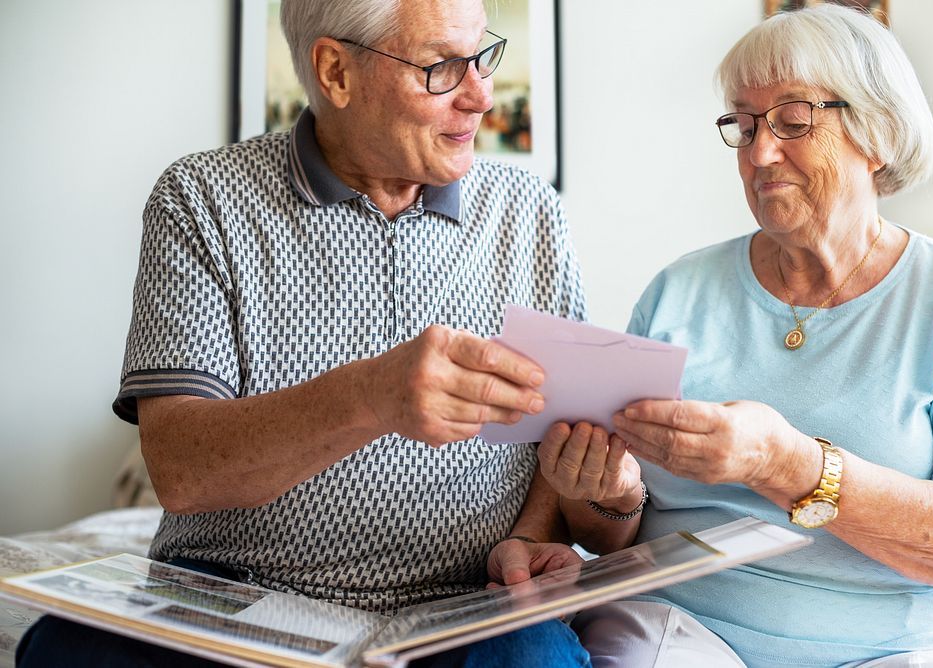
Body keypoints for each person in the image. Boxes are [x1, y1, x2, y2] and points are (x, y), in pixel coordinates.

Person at [15, 0, 591, 666]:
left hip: (458, 607)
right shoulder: (200, 198)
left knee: (535, 658)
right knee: (66, 651)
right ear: (335, 74)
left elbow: (562, 423)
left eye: (482, 56)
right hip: (237, 599)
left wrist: (527, 535)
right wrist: (373, 395)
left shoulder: (530, 212)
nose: (480, 94)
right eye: (441, 67)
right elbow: (179, 469)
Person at [534, 5, 933, 667]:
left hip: (905, 644)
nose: (759, 152)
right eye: (745, 124)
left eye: (792, 120)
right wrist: (608, 496)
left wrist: (786, 464)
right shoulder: (677, 292)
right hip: (685, 631)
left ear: (879, 133)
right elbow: (611, 536)